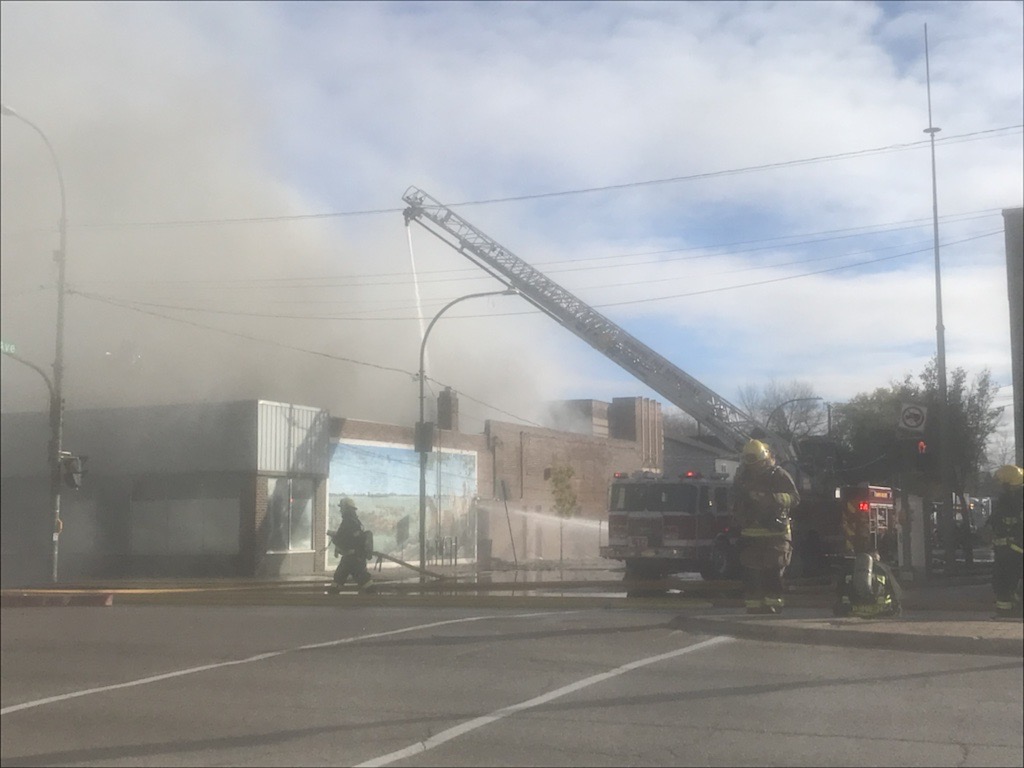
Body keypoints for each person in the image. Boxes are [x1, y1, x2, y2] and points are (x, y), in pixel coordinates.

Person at [732, 439, 801, 614]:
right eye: (750, 463)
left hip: (775, 533)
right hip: (750, 533)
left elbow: (795, 498)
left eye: (757, 462)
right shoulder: (741, 477)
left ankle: (774, 604)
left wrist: (772, 498)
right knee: (752, 573)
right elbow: (734, 500)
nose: (754, 467)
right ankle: (753, 605)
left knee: (773, 571)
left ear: (765, 458)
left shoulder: (778, 475)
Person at [989, 465, 1023, 619]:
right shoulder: (1006, 500)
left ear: (1008, 484)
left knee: (1010, 581)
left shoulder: (1017, 501)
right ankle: (1005, 611)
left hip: (1016, 550)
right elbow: (995, 521)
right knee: (1001, 581)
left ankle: (1012, 611)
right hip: (1006, 550)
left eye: (1001, 483)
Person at [330, 497, 373, 591]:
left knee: (340, 579)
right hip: (355, 557)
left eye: (342, 508)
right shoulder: (355, 522)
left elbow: (344, 540)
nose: (340, 510)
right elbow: (351, 537)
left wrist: (334, 536)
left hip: (352, 558)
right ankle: (372, 597)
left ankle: (373, 598)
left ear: (346, 508)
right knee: (360, 579)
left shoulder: (348, 522)